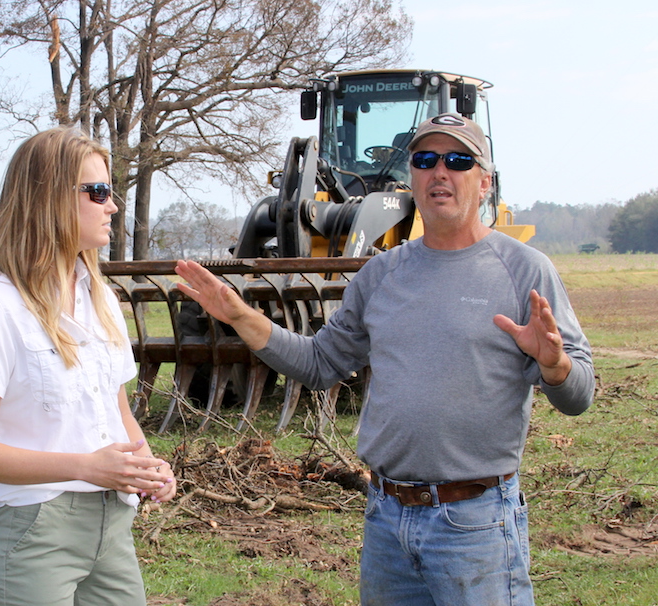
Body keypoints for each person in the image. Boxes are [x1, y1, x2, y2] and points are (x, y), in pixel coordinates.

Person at [175, 113, 594, 605]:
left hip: (475, 522)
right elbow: (320, 363)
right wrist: (242, 316)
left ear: (484, 182)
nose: (440, 171)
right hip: (387, 518)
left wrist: (555, 366)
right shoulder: (381, 274)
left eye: (458, 160)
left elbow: (579, 396)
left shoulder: (523, 269)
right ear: (412, 177)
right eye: (425, 159)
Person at [0, 127, 176, 606]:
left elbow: (118, 411)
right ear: (47, 199)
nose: (112, 206)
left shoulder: (102, 300)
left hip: (112, 524)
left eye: (110, 192)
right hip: (33, 532)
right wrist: (88, 467)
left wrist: (144, 464)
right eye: (98, 192)